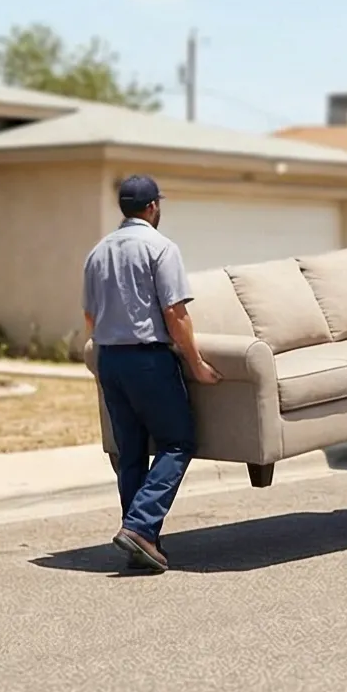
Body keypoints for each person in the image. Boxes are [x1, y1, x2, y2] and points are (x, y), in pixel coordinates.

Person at [81, 174, 218, 573]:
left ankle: (141, 539)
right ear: (154, 206)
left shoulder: (97, 253)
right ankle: (141, 527)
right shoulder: (161, 248)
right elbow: (175, 314)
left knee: (131, 453)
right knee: (178, 442)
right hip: (147, 359)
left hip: (111, 359)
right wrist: (196, 364)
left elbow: (90, 317)